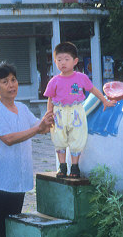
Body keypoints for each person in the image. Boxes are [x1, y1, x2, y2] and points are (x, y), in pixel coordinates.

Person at [0, 62, 54, 237]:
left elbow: (42, 129)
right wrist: (38, 128)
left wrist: (51, 116)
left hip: (16, 182)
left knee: (8, 234)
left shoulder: (22, 108)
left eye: (13, 80)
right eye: (5, 82)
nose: (12, 85)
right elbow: (9, 139)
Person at [44, 42, 116, 178]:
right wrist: (49, 114)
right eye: (59, 60)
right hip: (59, 113)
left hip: (76, 112)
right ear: (55, 61)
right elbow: (50, 98)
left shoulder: (81, 78)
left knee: (76, 137)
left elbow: (93, 90)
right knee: (59, 138)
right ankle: (62, 167)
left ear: (75, 61)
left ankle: (75, 167)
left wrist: (105, 101)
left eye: (66, 59)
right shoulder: (54, 81)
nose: (63, 63)